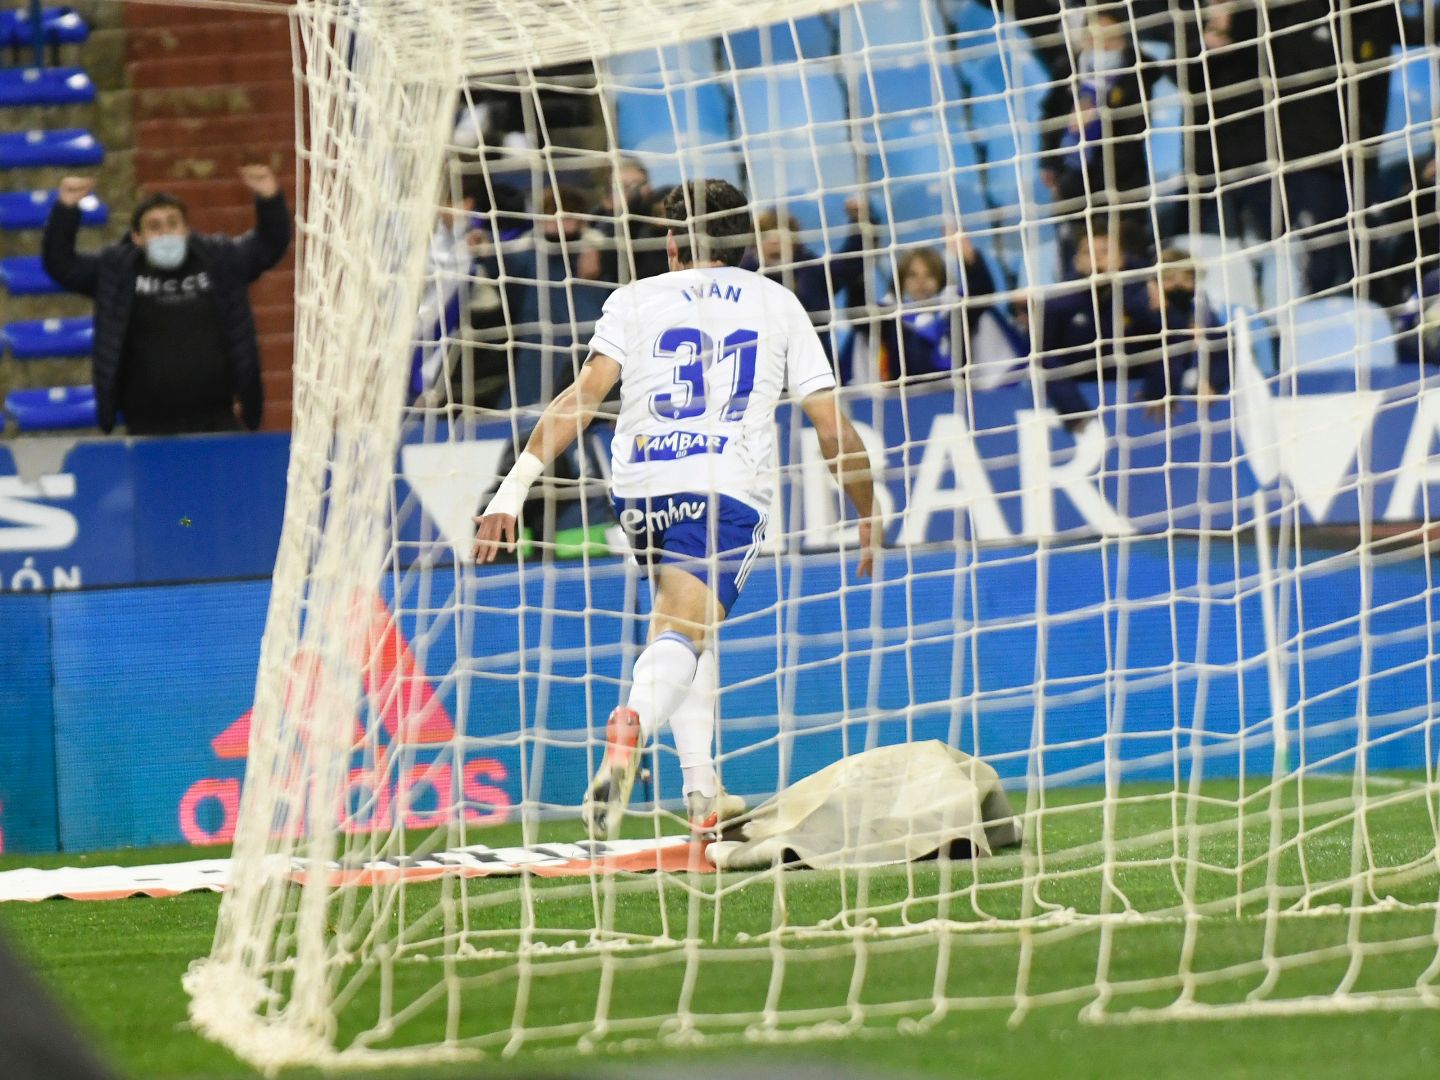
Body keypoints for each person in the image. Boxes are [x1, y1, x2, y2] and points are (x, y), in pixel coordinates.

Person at [473, 179, 879, 837]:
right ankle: (633, 720)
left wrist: (511, 489)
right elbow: (831, 429)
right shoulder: (778, 302)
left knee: (684, 624)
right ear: (746, 242)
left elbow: (582, 396)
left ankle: (702, 790)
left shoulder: (631, 298)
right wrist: (867, 507)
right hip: (722, 486)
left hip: (639, 487)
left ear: (669, 245)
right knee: (685, 631)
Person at [42, 166, 291, 436]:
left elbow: (268, 244)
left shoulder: (220, 259)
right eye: (154, 226)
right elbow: (62, 265)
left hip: (216, 419)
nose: (165, 233)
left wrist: (269, 196)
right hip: (146, 426)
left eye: (173, 223)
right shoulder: (116, 271)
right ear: (137, 238)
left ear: (186, 230)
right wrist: (66, 208)